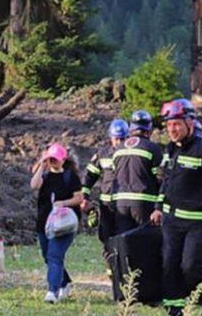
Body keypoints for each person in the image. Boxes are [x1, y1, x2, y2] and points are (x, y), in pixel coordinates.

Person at [151, 100, 202, 316]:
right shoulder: (169, 149)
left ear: (189, 123)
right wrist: (158, 206)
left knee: (192, 267)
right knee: (169, 267)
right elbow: (166, 181)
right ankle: (174, 311)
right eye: (168, 126)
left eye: (176, 124)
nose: (172, 130)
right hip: (171, 222)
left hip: (200, 223)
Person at [31, 143, 83, 304]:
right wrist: (42, 163)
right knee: (48, 256)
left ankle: (52, 292)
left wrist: (64, 203)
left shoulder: (70, 176)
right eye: (50, 159)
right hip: (44, 223)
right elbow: (34, 185)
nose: (53, 161)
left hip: (63, 225)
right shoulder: (44, 177)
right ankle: (64, 282)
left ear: (63, 159)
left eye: (55, 159)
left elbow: (79, 198)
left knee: (54, 255)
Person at [81, 119, 128, 277]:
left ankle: (124, 272)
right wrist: (84, 196)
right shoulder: (103, 154)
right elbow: (90, 176)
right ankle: (112, 273)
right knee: (106, 238)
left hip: (125, 204)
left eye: (123, 139)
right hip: (107, 204)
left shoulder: (131, 153)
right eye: (117, 139)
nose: (119, 142)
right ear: (111, 138)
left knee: (124, 239)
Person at [112, 110, 162, 234]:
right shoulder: (153, 149)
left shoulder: (118, 149)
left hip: (120, 203)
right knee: (144, 243)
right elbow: (161, 179)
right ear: (149, 130)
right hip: (144, 203)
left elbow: (114, 176)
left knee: (125, 243)